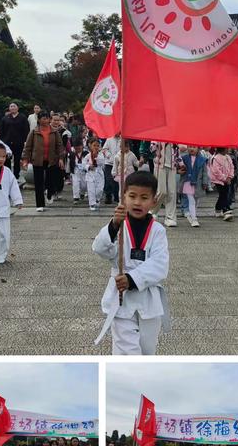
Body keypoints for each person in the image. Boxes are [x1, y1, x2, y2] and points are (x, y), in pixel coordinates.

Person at [92, 171, 170, 355]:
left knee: (147, 350)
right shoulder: (118, 225)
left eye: (144, 197)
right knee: (127, 351)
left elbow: (160, 264)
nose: (137, 202)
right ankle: (128, 379)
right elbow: (100, 249)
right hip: (121, 298)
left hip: (148, 299)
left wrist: (132, 278)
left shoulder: (158, 231)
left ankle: (144, 381)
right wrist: (113, 225)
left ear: (153, 201)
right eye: (132, 196)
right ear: (124, 196)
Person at [22, 111, 65, 212]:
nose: (44, 120)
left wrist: (61, 158)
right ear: (39, 120)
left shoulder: (54, 132)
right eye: (42, 118)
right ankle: (40, 204)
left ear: (49, 119)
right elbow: (28, 147)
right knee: (38, 182)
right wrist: (25, 159)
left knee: (50, 180)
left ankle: (50, 193)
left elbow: (60, 146)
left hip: (51, 160)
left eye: (46, 118)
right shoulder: (34, 132)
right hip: (37, 160)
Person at [178, 146, 209, 227]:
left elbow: (205, 172)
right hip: (187, 181)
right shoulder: (184, 158)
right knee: (191, 200)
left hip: (198, 183)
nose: (192, 149)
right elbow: (178, 166)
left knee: (196, 201)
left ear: (198, 149)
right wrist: (179, 170)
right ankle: (194, 219)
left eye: (194, 147)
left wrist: (205, 182)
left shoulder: (202, 159)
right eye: (190, 147)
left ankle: (191, 214)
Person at [151, 142, 179, 227]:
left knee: (172, 192)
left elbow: (177, 152)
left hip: (172, 166)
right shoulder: (157, 136)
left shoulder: (175, 137)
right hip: (160, 165)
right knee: (161, 191)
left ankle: (170, 217)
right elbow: (151, 149)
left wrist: (181, 164)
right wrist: (159, 145)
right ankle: (152, 211)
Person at [0, 102, 30, 179]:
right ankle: (8, 174)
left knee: (17, 159)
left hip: (18, 142)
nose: (12, 108)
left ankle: (16, 175)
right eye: (11, 106)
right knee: (7, 159)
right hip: (7, 142)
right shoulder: (5, 118)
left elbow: (26, 130)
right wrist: (2, 141)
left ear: (17, 108)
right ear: (9, 108)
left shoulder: (22, 117)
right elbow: (1, 130)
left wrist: (25, 140)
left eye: (14, 106)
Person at [209, 147, 234, 221]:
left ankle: (219, 208)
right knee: (223, 194)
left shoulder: (228, 157)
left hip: (227, 179)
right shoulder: (216, 158)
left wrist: (230, 176)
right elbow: (216, 171)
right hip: (219, 180)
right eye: (227, 148)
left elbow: (231, 167)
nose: (228, 149)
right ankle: (225, 209)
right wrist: (224, 178)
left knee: (225, 194)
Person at [84, 138, 106, 211]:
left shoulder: (101, 155)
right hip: (90, 174)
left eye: (97, 145)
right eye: (94, 145)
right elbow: (84, 164)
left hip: (99, 174)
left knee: (99, 189)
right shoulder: (87, 155)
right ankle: (92, 204)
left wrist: (96, 157)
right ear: (90, 146)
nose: (96, 147)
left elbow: (102, 162)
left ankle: (97, 199)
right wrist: (88, 166)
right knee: (91, 190)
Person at [102, 132, 121, 204]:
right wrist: (109, 155)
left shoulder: (122, 139)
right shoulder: (109, 139)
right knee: (108, 179)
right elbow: (104, 149)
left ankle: (117, 196)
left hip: (118, 163)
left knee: (117, 180)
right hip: (109, 163)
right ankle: (108, 195)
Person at [69, 139, 88, 204]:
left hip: (83, 171)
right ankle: (76, 197)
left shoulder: (86, 153)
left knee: (84, 184)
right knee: (75, 184)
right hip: (75, 171)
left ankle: (82, 193)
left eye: (79, 148)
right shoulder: (72, 154)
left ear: (82, 146)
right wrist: (69, 172)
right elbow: (70, 163)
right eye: (76, 148)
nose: (78, 150)